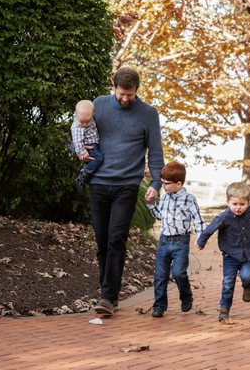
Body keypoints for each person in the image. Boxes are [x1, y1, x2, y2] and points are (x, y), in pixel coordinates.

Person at [83, 66, 164, 316]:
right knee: (102, 241)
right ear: (113, 87)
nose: (125, 99)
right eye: (121, 94)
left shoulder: (148, 114)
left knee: (117, 237)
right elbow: (81, 130)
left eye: (130, 94)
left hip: (127, 185)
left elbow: (156, 152)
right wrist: (79, 152)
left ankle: (108, 296)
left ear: (137, 90)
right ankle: (108, 292)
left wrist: (155, 183)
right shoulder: (99, 105)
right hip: (98, 183)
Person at [196, 181, 250, 322]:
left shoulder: (249, 212)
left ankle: (248, 286)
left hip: (246, 255)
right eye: (235, 204)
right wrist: (201, 241)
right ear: (228, 202)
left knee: (247, 276)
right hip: (230, 255)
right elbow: (210, 229)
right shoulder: (223, 217)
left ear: (247, 203)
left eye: (242, 204)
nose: (238, 208)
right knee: (228, 283)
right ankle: (224, 309)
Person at [146, 161, 205, 318]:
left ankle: (186, 296)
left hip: (181, 242)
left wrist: (201, 238)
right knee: (160, 275)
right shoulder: (165, 198)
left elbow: (198, 220)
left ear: (178, 183)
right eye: (163, 182)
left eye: (166, 183)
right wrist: (151, 204)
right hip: (164, 241)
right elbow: (159, 215)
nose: (163, 186)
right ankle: (159, 305)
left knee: (178, 273)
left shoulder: (189, 199)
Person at [71, 99, 103, 194]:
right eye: (82, 122)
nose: (84, 125)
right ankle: (83, 175)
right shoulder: (77, 127)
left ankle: (86, 176)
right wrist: (81, 152)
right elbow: (76, 141)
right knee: (98, 158)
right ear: (76, 115)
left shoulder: (88, 115)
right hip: (89, 146)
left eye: (87, 122)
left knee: (95, 160)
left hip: (93, 144)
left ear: (93, 114)